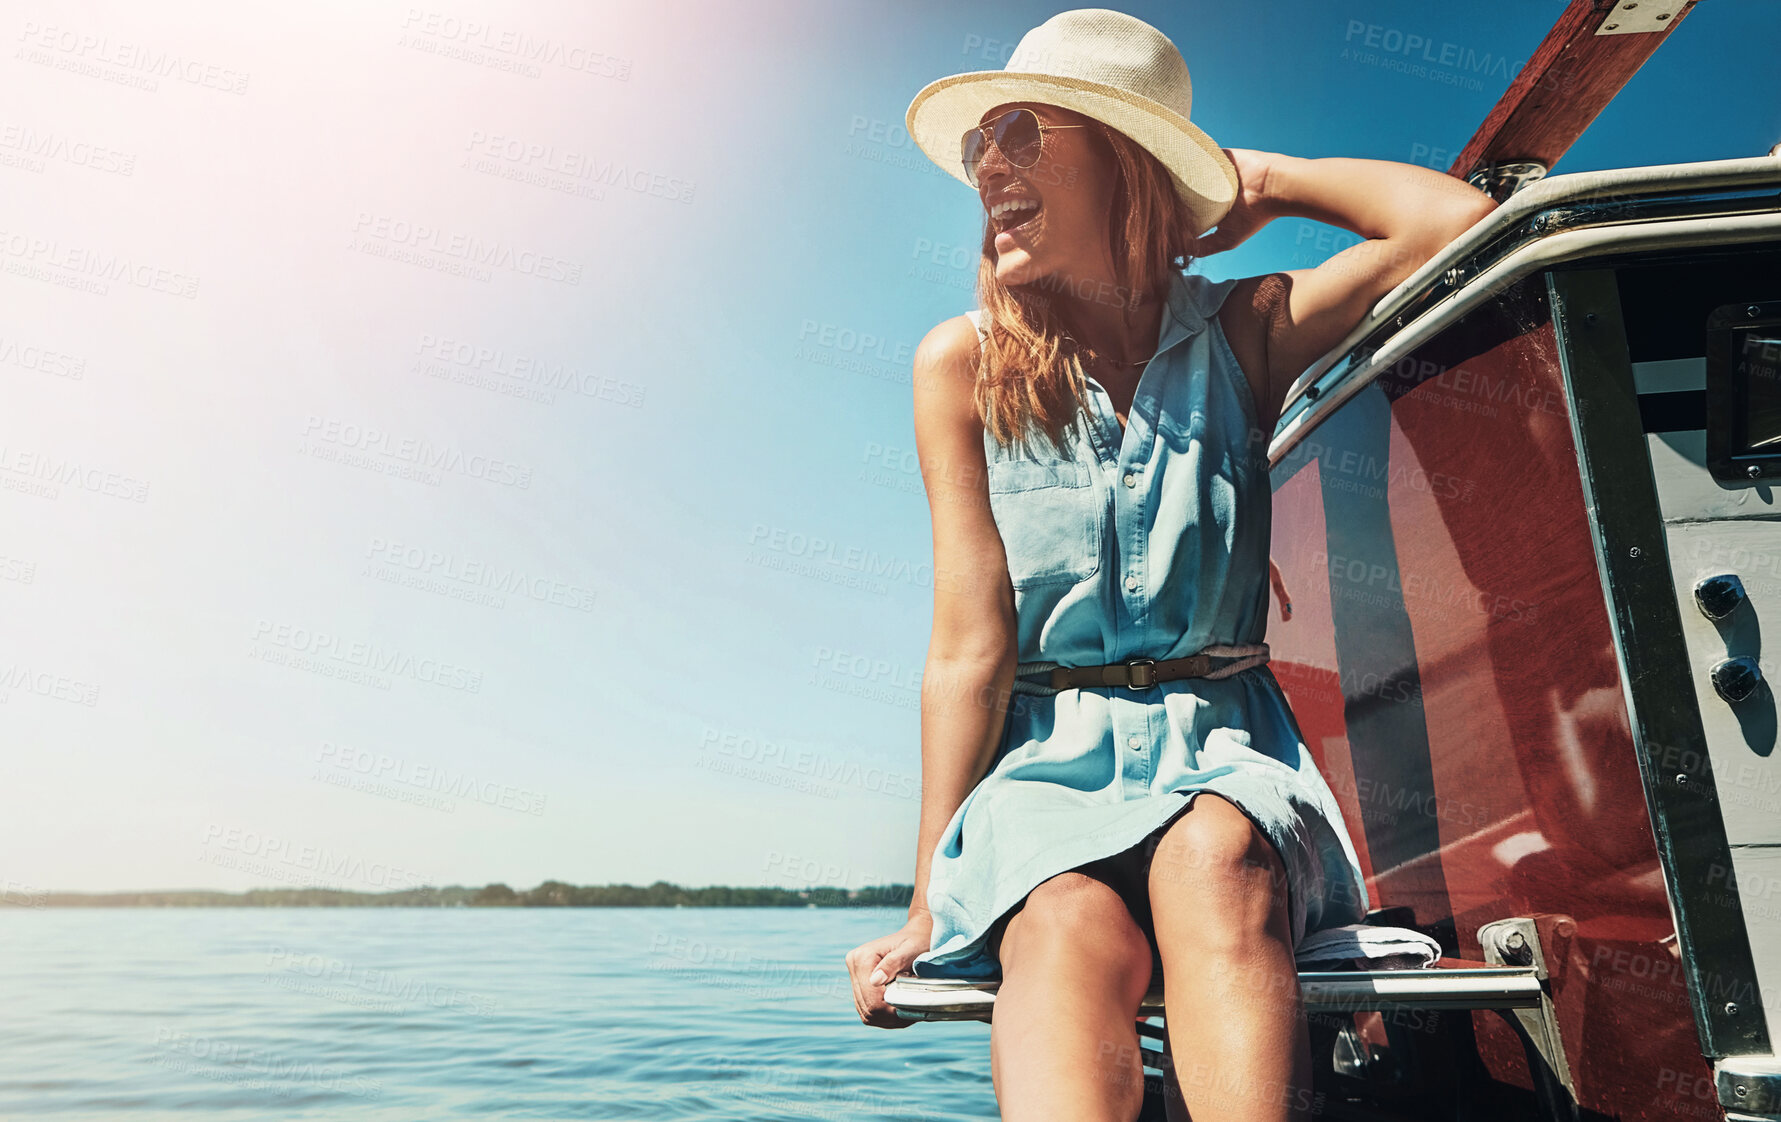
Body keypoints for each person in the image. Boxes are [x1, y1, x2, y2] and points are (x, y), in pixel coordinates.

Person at [843, 10, 1498, 1121]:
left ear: (1123, 160)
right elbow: (969, 643)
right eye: (976, 147)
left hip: (1226, 749)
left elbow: (1456, 221)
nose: (986, 167)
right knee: (1057, 927)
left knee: (1217, 864)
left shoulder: (1249, 328)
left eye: (1019, 133)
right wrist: (927, 896)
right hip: (1043, 769)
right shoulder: (960, 365)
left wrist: (1268, 182)